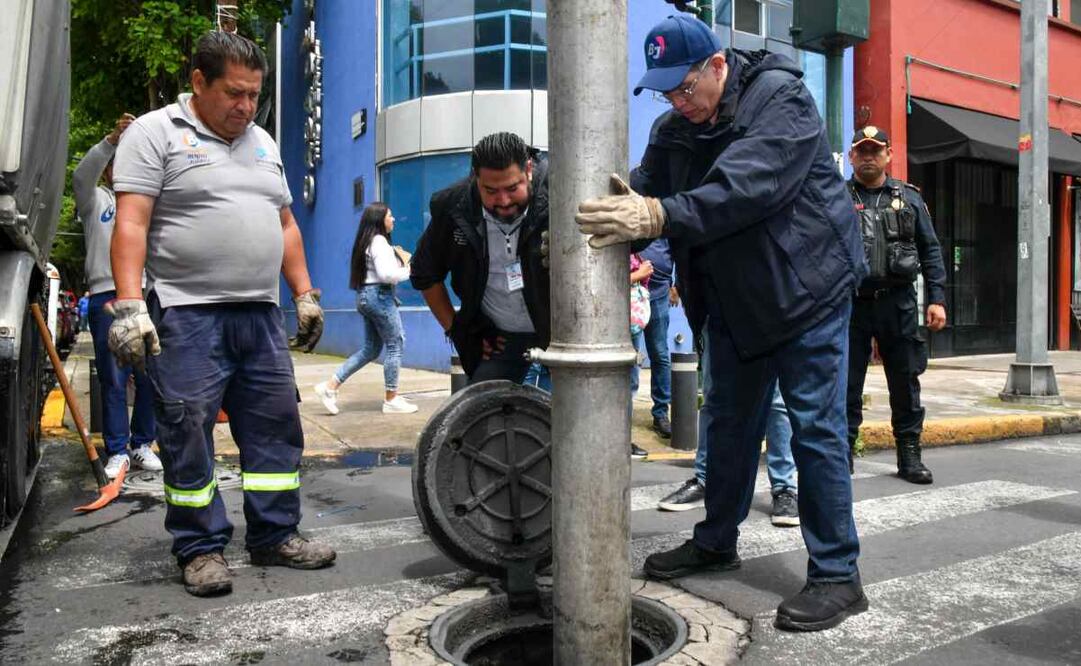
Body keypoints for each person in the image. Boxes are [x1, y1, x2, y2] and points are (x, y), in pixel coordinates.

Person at [575, 14, 868, 632]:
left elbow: (747, 186)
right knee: (728, 425)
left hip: (808, 290)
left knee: (815, 428)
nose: (679, 104)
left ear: (717, 66)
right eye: (666, 94)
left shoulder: (781, 99)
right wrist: (591, 217)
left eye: (686, 88)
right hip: (736, 302)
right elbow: (642, 190)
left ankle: (838, 575)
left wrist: (656, 215)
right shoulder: (673, 129)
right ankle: (715, 541)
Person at [108, 31, 334, 598]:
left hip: (260, 315)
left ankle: (275, 534)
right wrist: (131, 306)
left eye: (254, 94)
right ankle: (200, 547)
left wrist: (304, 293)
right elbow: (131, 221)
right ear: (198, 82)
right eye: (234, 93)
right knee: (187, 430)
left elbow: (284, 224)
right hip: (186, 314)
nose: (246, 106)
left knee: (276, 427)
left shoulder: (263, 142)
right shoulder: (155, 133)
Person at [846, 127, 947, 484]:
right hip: (851, 305)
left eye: (875, 150)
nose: (868, 157)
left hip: (898, 303)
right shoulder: (837, 198)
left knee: (905, 383)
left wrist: (937, 298)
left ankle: (909, 456)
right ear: (851, 156)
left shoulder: (910, 198)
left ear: (888, 155)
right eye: (862, 151)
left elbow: (930, 249)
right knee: (846, 385)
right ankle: (843, 455)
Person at [411, 132, 550, 384]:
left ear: (528, 170)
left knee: (573, 408)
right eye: (491, 191)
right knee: (480, 406)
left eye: (512, 188)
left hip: (562, 335)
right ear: (476, 179)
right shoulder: (453, 206)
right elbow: (424, 274)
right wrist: (459, 332)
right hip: (499, 340)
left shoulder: (561, 190)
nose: (503, 201)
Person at [73, 114, 162, 480]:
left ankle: (142, 444)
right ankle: (118, 450)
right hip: (106, 295)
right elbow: (81, 176)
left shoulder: (147, 202)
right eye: (115, 164)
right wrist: (111, 140)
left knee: (149, 377)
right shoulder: (95, 200)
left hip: (144, 294)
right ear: (108, 171)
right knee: (113, 377)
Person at [313, 203, 417, 415]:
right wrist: (409, 270)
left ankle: (330, 387)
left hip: (367, 296)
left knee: (371, 349)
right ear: (379, 219)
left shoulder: (367, 240)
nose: (394, 219)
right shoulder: (379, 241)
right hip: (379, 296)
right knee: (395, 344)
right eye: (390, 216)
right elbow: (387, 275)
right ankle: (391, 399)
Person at [634, 239, 675, 438]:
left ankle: (661, 414)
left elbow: (679, 247)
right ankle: (622, 414)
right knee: (629, 357)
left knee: (660, 355)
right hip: (631, 293)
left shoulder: (663, 223)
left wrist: (675, 285)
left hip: (659, 292)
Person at [628, 253, 653, 461]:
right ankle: (619, 438)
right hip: (613, 321)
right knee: (623, 382)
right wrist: (638, 275)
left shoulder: (633, 249)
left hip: (631, 323)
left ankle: (624, 437)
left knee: (631, 382)